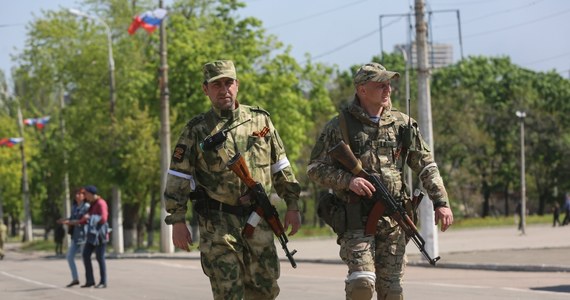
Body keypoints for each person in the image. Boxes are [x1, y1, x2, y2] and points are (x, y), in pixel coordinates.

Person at [307, 62, 453, 300]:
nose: (388, 90)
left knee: (392, 292)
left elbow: (426, 165)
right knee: (361, 286)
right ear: (362, 90)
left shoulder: (402, 124)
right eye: (380, 85)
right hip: (356, 218)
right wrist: (348, 181)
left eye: (389, 85)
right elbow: (314, 168)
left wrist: (441, 202)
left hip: (394, 220)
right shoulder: (340, 125)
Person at [163, 60, 302, 300]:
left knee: (265, 291)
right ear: (205, 89)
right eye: (216, 84)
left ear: (237, 85)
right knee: (229, 293)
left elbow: (280, 166)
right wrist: (177, 220)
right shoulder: (197, 130)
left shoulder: (261, 121)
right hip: (218, 226)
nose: (223, 89)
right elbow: (179, 176)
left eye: (228, 83)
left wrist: (293, 205)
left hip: (258, 219)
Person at [57, 188, 91, 287]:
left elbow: (83, 220)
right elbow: (72, 218)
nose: (77, 196)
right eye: (76, 194)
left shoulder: (87, 207)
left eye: (79, 194)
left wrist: (69, 222)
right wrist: (64, 220)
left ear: (84, 196)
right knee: (69, 256)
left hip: (84, 235)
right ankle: (75, 278)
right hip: (75, 236)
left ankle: (89, 279)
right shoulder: (75, 207)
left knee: (84, 258)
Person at [79, 185, 109, 289]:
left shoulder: (101, 203)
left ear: (91, 194)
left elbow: (104, 218)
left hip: (100, 235)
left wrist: (91, 218)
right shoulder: (92, 204)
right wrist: (77, 221)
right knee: (86, 254)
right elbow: (85, 218)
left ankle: (103, 281)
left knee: (100, 258)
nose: (85, 196)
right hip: (92, 235)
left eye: (86, 193)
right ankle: (90, 280)